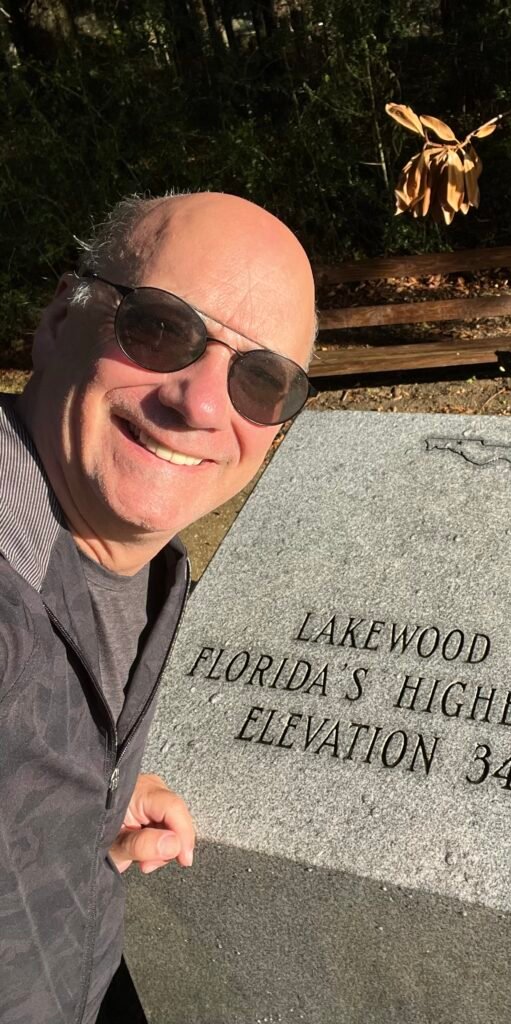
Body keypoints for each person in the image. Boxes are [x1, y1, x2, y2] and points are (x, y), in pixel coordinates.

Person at [0, 192, 317, 1023]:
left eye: (262, 380)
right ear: (58, 319)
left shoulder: (153, 575)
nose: (205, 405)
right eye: (161, 328)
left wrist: (90, 792)